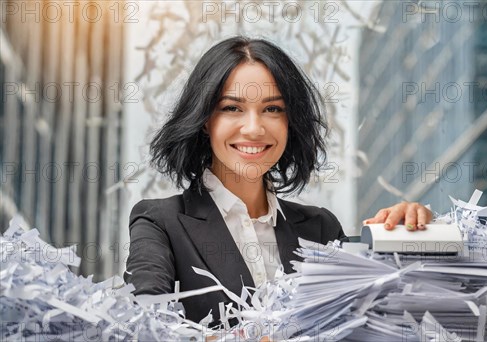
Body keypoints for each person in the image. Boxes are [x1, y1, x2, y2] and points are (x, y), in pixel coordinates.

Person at [124, 36, 432, 324]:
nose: (254, 128)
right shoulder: (161, 222)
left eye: (272, 109)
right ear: (206, 120)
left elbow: (374, 316)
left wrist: (411, 236)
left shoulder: (321, 229)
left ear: (290, 121)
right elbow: (143, 322)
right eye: (232, 108)